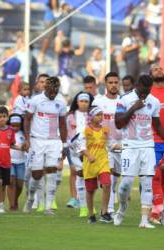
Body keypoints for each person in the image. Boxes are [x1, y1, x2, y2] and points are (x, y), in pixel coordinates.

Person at [114, 74, 164, 228]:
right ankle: (122, 207)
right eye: (142, 91)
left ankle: (144, 221)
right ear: (136, 86)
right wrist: (133, 108)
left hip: (147, 146)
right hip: (130, 147)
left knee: (147, 183)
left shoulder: (154, 102)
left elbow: (157, 125)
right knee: (126, 183)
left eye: (148, 91)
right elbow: (118, 123)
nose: (145, 94)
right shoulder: (124, 99)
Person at [23, 77, 67, 215]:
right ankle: (30, 199)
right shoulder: (35, 100)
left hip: (54, 141)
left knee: (52, 171)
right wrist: (27, 139)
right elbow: (27, 119)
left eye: (56, 91)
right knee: (36, 174)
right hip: (37, 141)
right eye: (52, 91)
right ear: (45, 88)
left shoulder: (61, 102)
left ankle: (48, 207)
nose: (54, 93)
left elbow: (62, 124)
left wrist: (64, 144)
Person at [93, 72, 122, 215]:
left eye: (116, 82)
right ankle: (109, 209)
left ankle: (113, 194)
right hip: (105, 146)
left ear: (119, 83)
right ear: (106, 84)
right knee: (108, 178)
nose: (113, 85)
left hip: (121, 145)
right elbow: (93, 123)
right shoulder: (98, 102)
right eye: (110, 82)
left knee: (118, 175)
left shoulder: (124, 101)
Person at [0, 106, 23, 214]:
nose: (2, 118)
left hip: (6, 162)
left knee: (4, 185)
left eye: (4, 116)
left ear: (7, 118)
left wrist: (20, 148)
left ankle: (1, 203)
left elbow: (11, 145)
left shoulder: (10, 131)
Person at [78, 106, 112, 224]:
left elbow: (109, 144)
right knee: (91, 190)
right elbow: (80, 146)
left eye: (101, 114)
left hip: (103, 162)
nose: (100, 117)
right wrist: (88, 155)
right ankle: (91, 214)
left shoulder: (105, 130)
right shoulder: (86, 130)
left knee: (107, 184)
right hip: (90, 163)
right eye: (98, 115)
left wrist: (116, 146)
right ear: (91, 117)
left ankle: (104, 212)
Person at [66, 91, 93, 218]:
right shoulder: (70, 116)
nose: (84, 103)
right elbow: (71, 137)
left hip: (90, 150)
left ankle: (89, 205)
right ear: (77, 102)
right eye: (81, 101)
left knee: (91, 178)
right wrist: (81, 151)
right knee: (81, 174)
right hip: (75, 150)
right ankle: (83, 207)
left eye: (86, 101)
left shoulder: (93, 115)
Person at [55, 33, 86, 97]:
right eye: (65, 46)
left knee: (69, 88)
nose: (66, 48)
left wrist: (82, 40)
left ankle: (66, 98)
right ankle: (65, 97)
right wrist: (59, 39)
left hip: (69, 74)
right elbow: (57, 49)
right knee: (65, 87)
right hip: (62, 74)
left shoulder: (71, 52)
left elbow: (80, 51)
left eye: (67, 46)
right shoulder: (61, 52)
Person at [7, 114, 26, 211]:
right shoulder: (7, 132)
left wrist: (25, 146)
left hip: (21, 162)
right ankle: (12, 205)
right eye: (13, 125)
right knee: (11, 182)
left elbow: (27, 147)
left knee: (19, 185)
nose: (15, 127)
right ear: (9, 124)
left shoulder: (24, 133)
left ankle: (15, 199)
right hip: (9, 161)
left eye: (17, 125)